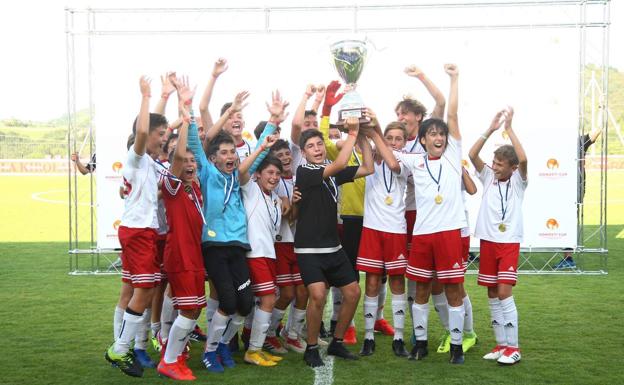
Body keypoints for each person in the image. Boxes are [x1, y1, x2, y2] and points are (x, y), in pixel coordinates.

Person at [392, 64, 467, 364]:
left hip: (449, 233)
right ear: (422, 140)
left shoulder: (452, 155)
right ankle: (420, 343)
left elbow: (451, 114)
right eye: (432, 134)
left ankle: (457, 346)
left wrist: (454, 79)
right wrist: (368, 130)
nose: (438, 137)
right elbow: (390, 153)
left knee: (454, 289)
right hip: (422, 235)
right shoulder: (415, 161)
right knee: (420, 288)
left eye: (441, 134)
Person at [295, 116, 374, 367]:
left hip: (333, 247)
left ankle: (337, 343)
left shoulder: (330, 172)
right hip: (309, 249)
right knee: (317, 295)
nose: (317, 149)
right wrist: (351, 132)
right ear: (303, 152)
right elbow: (340, 162)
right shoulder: (305, 171)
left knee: (353, 292)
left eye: (320, 144)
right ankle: (311, 347)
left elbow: (368, 168)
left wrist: (362, 135)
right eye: (311, 146)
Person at [105, 76, 168, 378]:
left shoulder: (150, 165)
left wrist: (165, 98)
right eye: (162, 134)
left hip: (138, 231)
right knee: (144, 290)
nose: (164, 138)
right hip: (139, 233)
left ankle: (122, 345)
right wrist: (146, 96)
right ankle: (119, 348)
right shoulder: (137, 157)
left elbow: (153, 125)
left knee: (134, 290)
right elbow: (144, 128)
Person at [469, 107, 527, 365]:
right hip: (488, 242)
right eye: (494, 163)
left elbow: (523, 159)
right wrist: (491, 128)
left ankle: (514, 347)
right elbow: (472, 154)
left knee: (504, 293)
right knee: (492, 294)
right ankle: (501, 344)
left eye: (500, 165)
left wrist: (510, 129)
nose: (494, 167)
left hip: (508, 243)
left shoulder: (518, 181)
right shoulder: (488, 177)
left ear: (512, 169)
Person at [156, 87, 205, 381]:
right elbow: (175, 164)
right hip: (181, 256)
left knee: (193, 308)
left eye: (192, 161)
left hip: (195, 255)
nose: (188, 164)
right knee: (189, 310)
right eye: (183, 161)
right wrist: (185, 118)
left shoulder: (194, 188)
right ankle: (170, 360)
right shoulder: (172, 188)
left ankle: (174, 352)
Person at [239, 93, 290, 367]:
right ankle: (253, 350)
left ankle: (251, 344)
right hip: (254, 254)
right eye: (269, 173)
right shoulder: (250, 189)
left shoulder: (273, 199)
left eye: (277, 174)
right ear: (259, 174)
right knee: (269, 299)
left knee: (264, 301)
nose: (273, 177)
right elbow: (245, 170)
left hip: (268, 254)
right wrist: (272, 122)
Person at [396, 65, 446, 341]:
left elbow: (440, 102)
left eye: (405, 113)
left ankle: (460, 331)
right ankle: (417, 333)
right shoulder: (398, 142)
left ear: (418, 116)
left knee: (440, 279)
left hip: (433, 215)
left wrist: (421, 77)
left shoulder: (429, 137)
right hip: (409, 214)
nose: (401, 117)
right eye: (398, 114)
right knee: (412, 274)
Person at [355, 119, 411, 358]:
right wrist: (357, 123)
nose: (394, 142)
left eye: (399, 138)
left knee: (398, 284)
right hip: (372, 228)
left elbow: (394, 165)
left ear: (405, 142)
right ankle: (368, 337)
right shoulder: (370, 157)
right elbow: (360, 141)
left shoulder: (407, 160)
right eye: (390, 138)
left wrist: (376, 132)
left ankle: (398, 337)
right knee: (372, 283)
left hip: (396, 228)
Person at [262, 139, 308, 355]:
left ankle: (292, 335)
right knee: (287, 293)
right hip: (280, 244)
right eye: (279, 155)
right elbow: (285, 216)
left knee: (303, 291)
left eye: (287, 153)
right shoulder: (273, 181)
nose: (286, 157)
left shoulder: (300, 177)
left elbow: (297, 213)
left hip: (300, 243)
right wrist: (287, 202)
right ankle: (269, 333)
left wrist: (296, 203)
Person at [431, 167, 478, 355]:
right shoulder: (425, 164)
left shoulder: (454, 163)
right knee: (435, 283)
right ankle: (450, 331)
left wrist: (459, 168)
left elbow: (472, 189)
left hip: (457, 231)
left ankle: (468, 334)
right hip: (434, 228)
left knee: (455, 285)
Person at [554, 127, 602, 269]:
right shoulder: (554, 144)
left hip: (574, 190)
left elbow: (597, 131)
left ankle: (568, 258)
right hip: (557, 189)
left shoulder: (579, 142)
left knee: (567, 221)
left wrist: (601, 111)